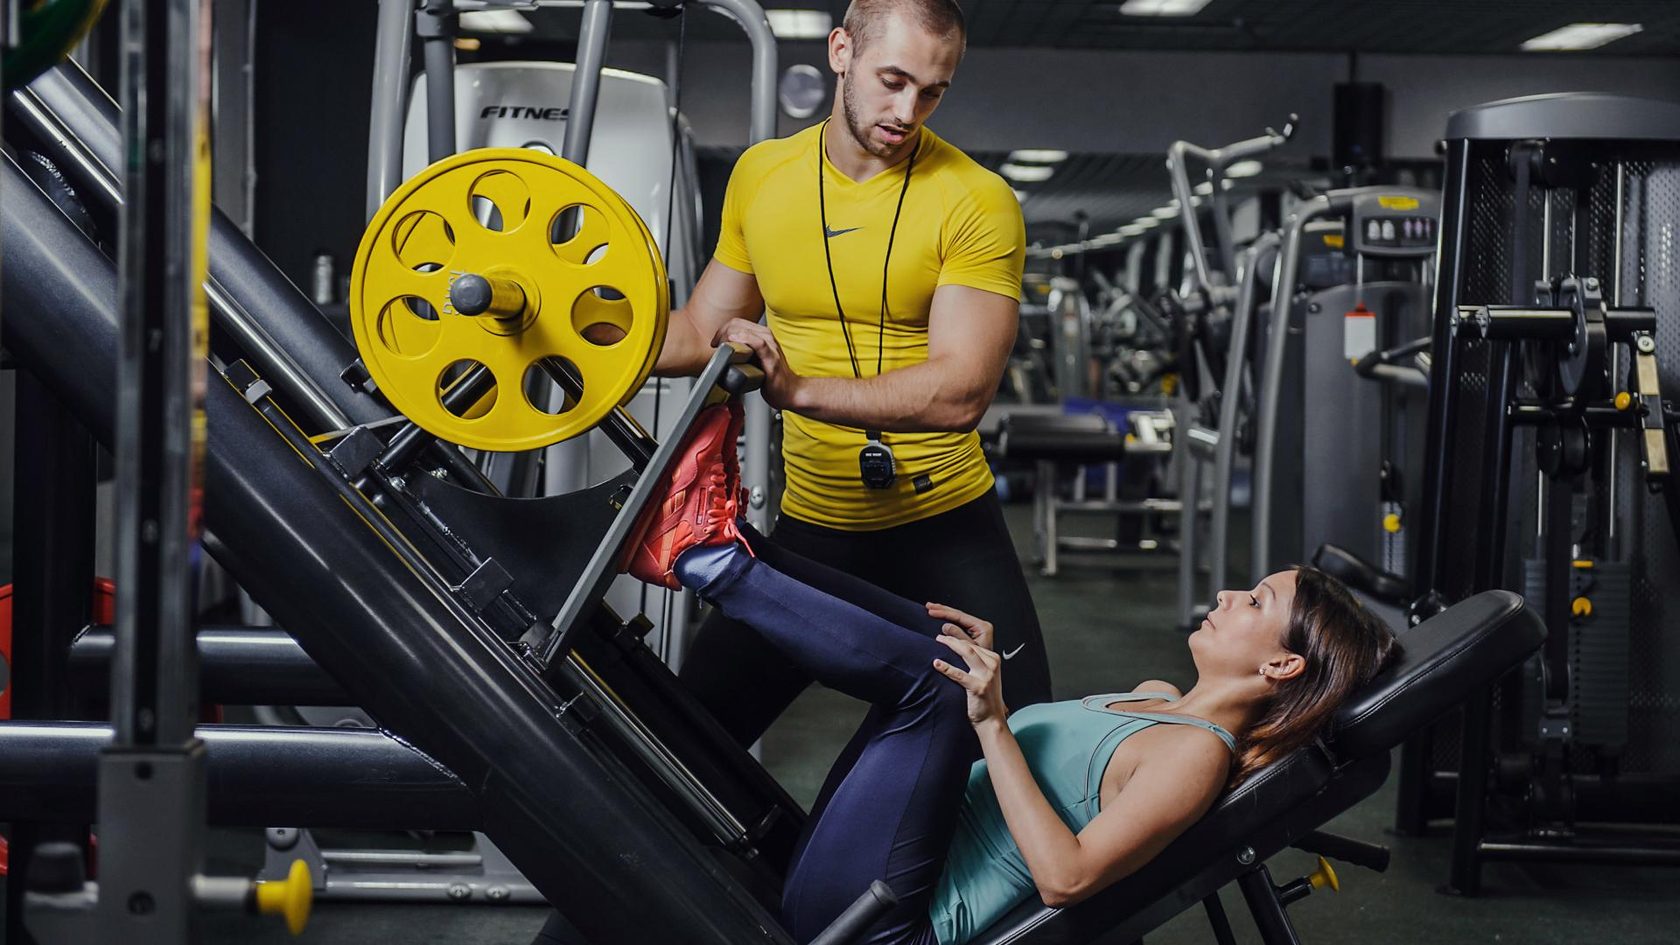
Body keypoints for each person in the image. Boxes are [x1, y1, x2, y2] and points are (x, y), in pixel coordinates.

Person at [617, 404, 1401, 945]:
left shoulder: (1195, 756)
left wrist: (992, 719)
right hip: (867, 883)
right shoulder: (1158, 700)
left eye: (1255, 599)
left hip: (887, 925)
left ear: (1281, 663)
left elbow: (1066, 878)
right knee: (942, 637)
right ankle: (729, 538)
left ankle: (703, 557)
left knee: (938, 686)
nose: (1230, 593)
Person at [647, 0, 1052, 742]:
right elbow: (699, 330)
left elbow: (961, 391)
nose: (908, 111)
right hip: (816, 528)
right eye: (892, 80)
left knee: (1022, 746)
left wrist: (797, 390)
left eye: (932, 92)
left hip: (947, 530)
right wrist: (574, 330)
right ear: (841, 51)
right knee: (686, 740)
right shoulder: (763, 176)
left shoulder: (974, 200)